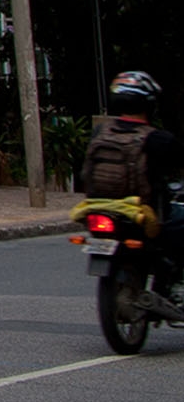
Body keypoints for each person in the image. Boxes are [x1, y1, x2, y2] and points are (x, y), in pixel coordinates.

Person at [73, 70, 179, 287]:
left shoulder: (100, 132)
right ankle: (168, 279)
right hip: (142, 212)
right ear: (150, 104)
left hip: (97, 208)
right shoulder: (157, 138)